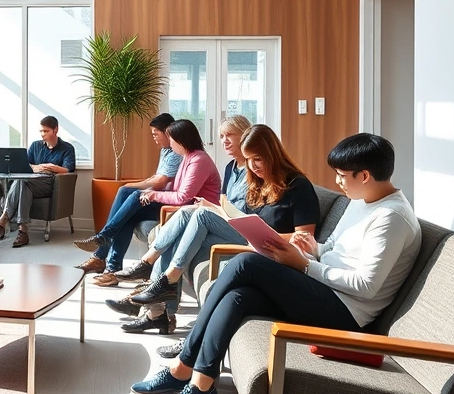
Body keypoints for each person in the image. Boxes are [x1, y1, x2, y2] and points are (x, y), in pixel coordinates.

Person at [129, 133, 421, 394]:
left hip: (347, 313)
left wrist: (304, 265)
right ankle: (201, 388)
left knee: (245, 263)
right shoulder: (363, 200)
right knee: (237, 297)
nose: (338, 181)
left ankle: (182, 366)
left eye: (343, 176)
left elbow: (365, 285)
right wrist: (311, 248)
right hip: (325, 289)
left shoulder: (391, 218)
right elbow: (332, 247)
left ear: (365, 176)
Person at [109, 122, 318, 335]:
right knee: (181, 233)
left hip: (269, 249)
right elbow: (244, 216)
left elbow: (305, 237)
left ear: (273, 154)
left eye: (258, 159)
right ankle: (158, 313)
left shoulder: (298, 186)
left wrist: (266, 236)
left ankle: (163, 280)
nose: (253, 167)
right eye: (249, 160)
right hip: (248, 237)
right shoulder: (258, 183)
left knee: (199, 215)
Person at [155, 115, 251, 358]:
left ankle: (160, 288)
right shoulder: (231, 167)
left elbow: (248, 214)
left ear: (246, 135)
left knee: (195, 215)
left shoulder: (252, 169)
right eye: (221, 136)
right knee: (184, 228)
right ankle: (160, 311)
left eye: (230, 135)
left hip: (241, 231)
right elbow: (225, 204)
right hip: (227, 222)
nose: (224, 141)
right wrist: (212, 205)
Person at [73, 113, 182, 276]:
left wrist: (133, 185)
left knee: (125, 191)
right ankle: (111, 265)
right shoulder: (166, 151)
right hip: (158, 197)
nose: (154, 138)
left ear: (167, 132)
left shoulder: (176, 153)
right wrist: (136, 184)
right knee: (128, 209)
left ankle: (102, 247)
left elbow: (161, 182)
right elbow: (155, 177)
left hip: (166, 203)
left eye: (155, 134)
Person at [0, 116, 77, 248]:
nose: (42, 134)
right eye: (41, 131)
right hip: (30, 181)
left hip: (49, 183)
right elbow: (26, 165)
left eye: (46, 131)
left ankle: (3, 219)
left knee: (22, 182)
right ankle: (23, 231)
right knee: (22, 183)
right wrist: (37, 167)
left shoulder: (67, 148)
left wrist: (52, 167)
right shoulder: (35, 146)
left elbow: (68, 169)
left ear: (56, 130)